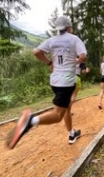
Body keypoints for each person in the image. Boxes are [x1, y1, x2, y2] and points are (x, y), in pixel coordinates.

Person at [6, 15, 87, 149]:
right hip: (66, 82)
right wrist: (76, 61)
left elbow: (36, 52)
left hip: (54, 81)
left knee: (66, 108)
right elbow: (83, 56)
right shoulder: (74, 39)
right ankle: (31, 121)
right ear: (68, 27)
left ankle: (72, 133)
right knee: (58, 115)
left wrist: (49, 62)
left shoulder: (52, 40)